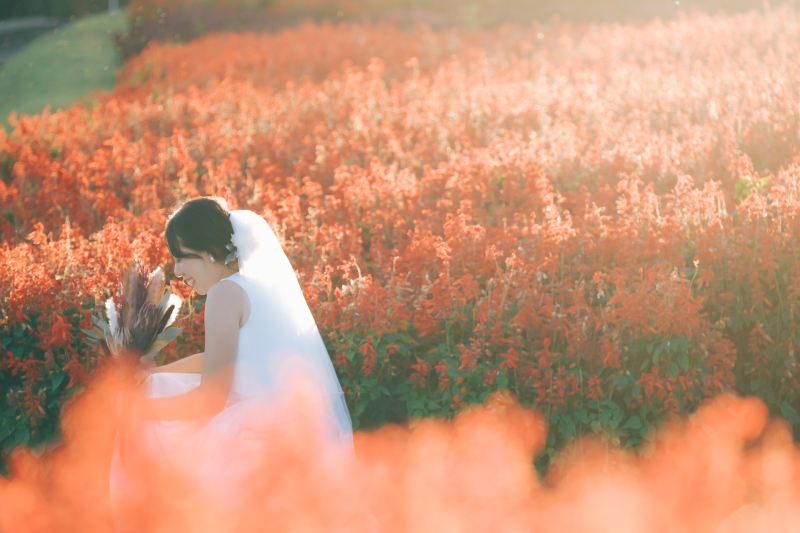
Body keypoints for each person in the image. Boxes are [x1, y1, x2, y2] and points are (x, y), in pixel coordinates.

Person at [110, 197, 354, 528]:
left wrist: (138, 410)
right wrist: (156, 371)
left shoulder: (224, 294)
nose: (177, 271)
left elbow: (210, 399)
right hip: (306, 433)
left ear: (209, 251)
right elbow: (223, 360)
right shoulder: (258, 286)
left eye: (182, 258)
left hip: (259, 444)